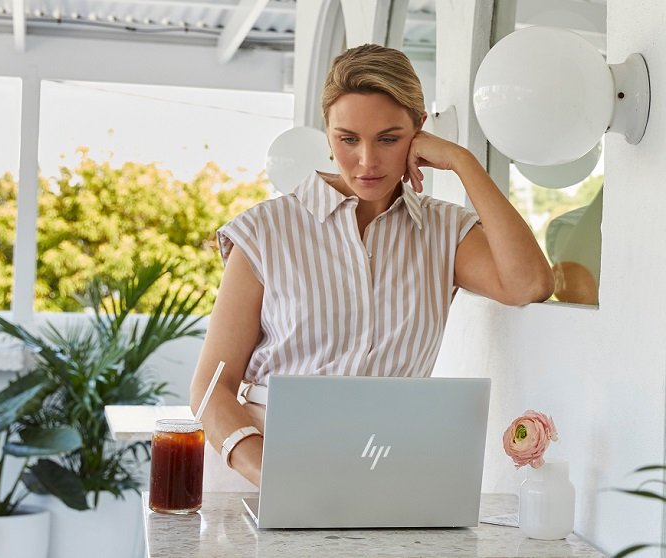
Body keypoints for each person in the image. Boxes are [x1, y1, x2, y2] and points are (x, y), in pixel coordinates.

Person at [189, 44, 554, 488]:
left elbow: (530, 283)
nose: (367, 161)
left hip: (385, 470)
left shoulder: (443, 232)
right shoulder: (265, 230)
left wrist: (463, 162)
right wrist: (274, 476)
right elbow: (211, 388)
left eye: (389, 138)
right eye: (348, 139)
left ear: (419, 132)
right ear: (326, 133)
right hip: (261, 467)